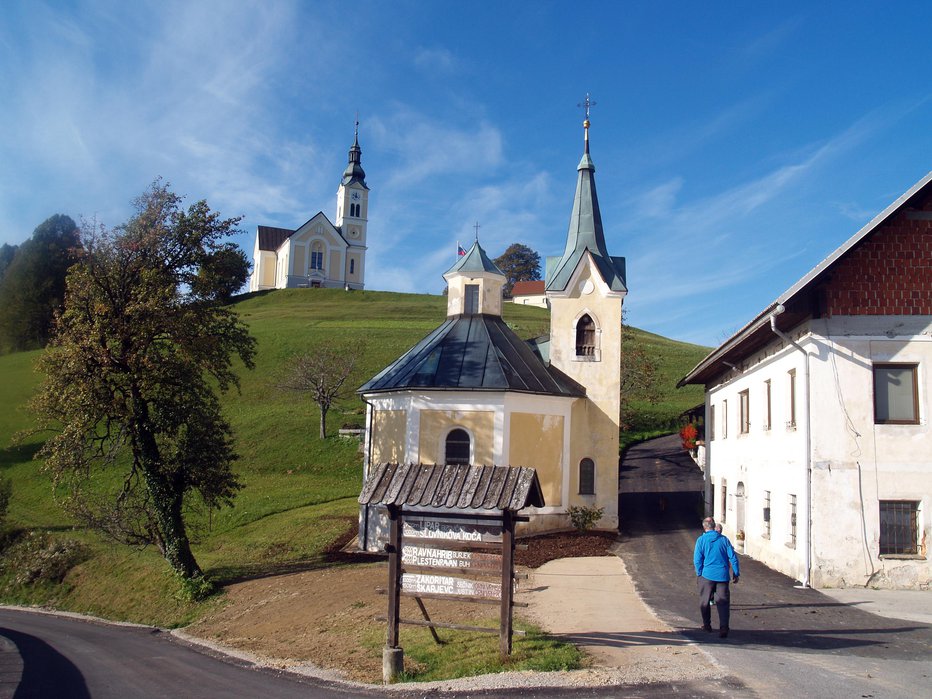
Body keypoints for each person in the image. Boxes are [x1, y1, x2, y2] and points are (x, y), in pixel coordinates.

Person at [694, 516, 740, 638]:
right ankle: (724, 627)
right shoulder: (724, 540)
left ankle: (707, 625)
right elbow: (733, 557)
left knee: (704, 601)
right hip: (722, 576)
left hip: (706, 575)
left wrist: (699, 573)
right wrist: (736, 572)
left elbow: (697, 560)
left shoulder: (701, 541)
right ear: (714, 527)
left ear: (704, 527)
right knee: (723, 603)